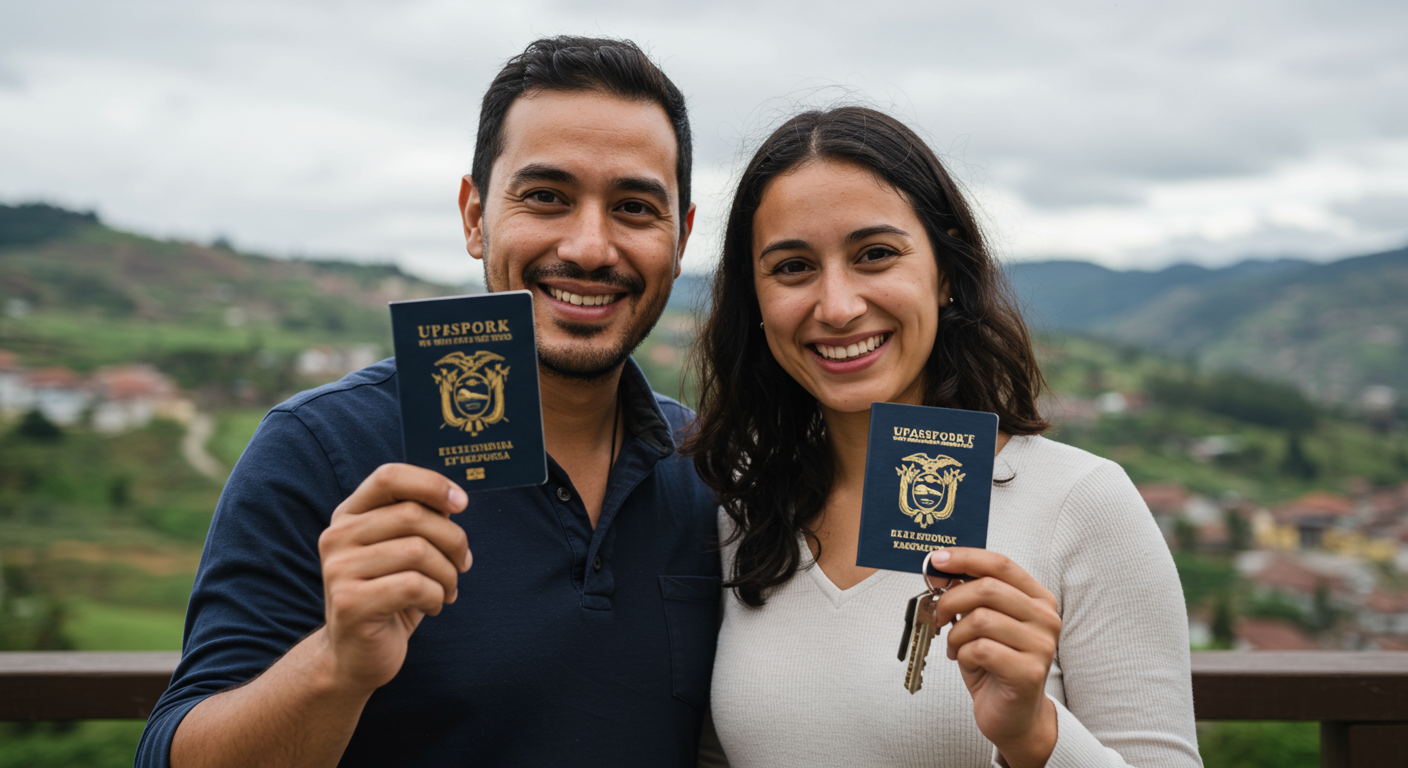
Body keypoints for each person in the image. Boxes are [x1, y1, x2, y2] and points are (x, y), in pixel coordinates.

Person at [135, 36, 722, 768]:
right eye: (546, 197)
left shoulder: (714, 472)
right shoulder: (319, 450)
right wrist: (337, 664)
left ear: (680, 238)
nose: (590, 246)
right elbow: (166, 755)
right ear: (475, 216)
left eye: (635, 207)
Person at [687, 107, 1201, 767]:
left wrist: (1035, 736)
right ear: (755, 299)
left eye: (875, 255)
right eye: (792, 267)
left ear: (946, 271)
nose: (838, 306)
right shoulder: (741, 509)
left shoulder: (1082, 503)